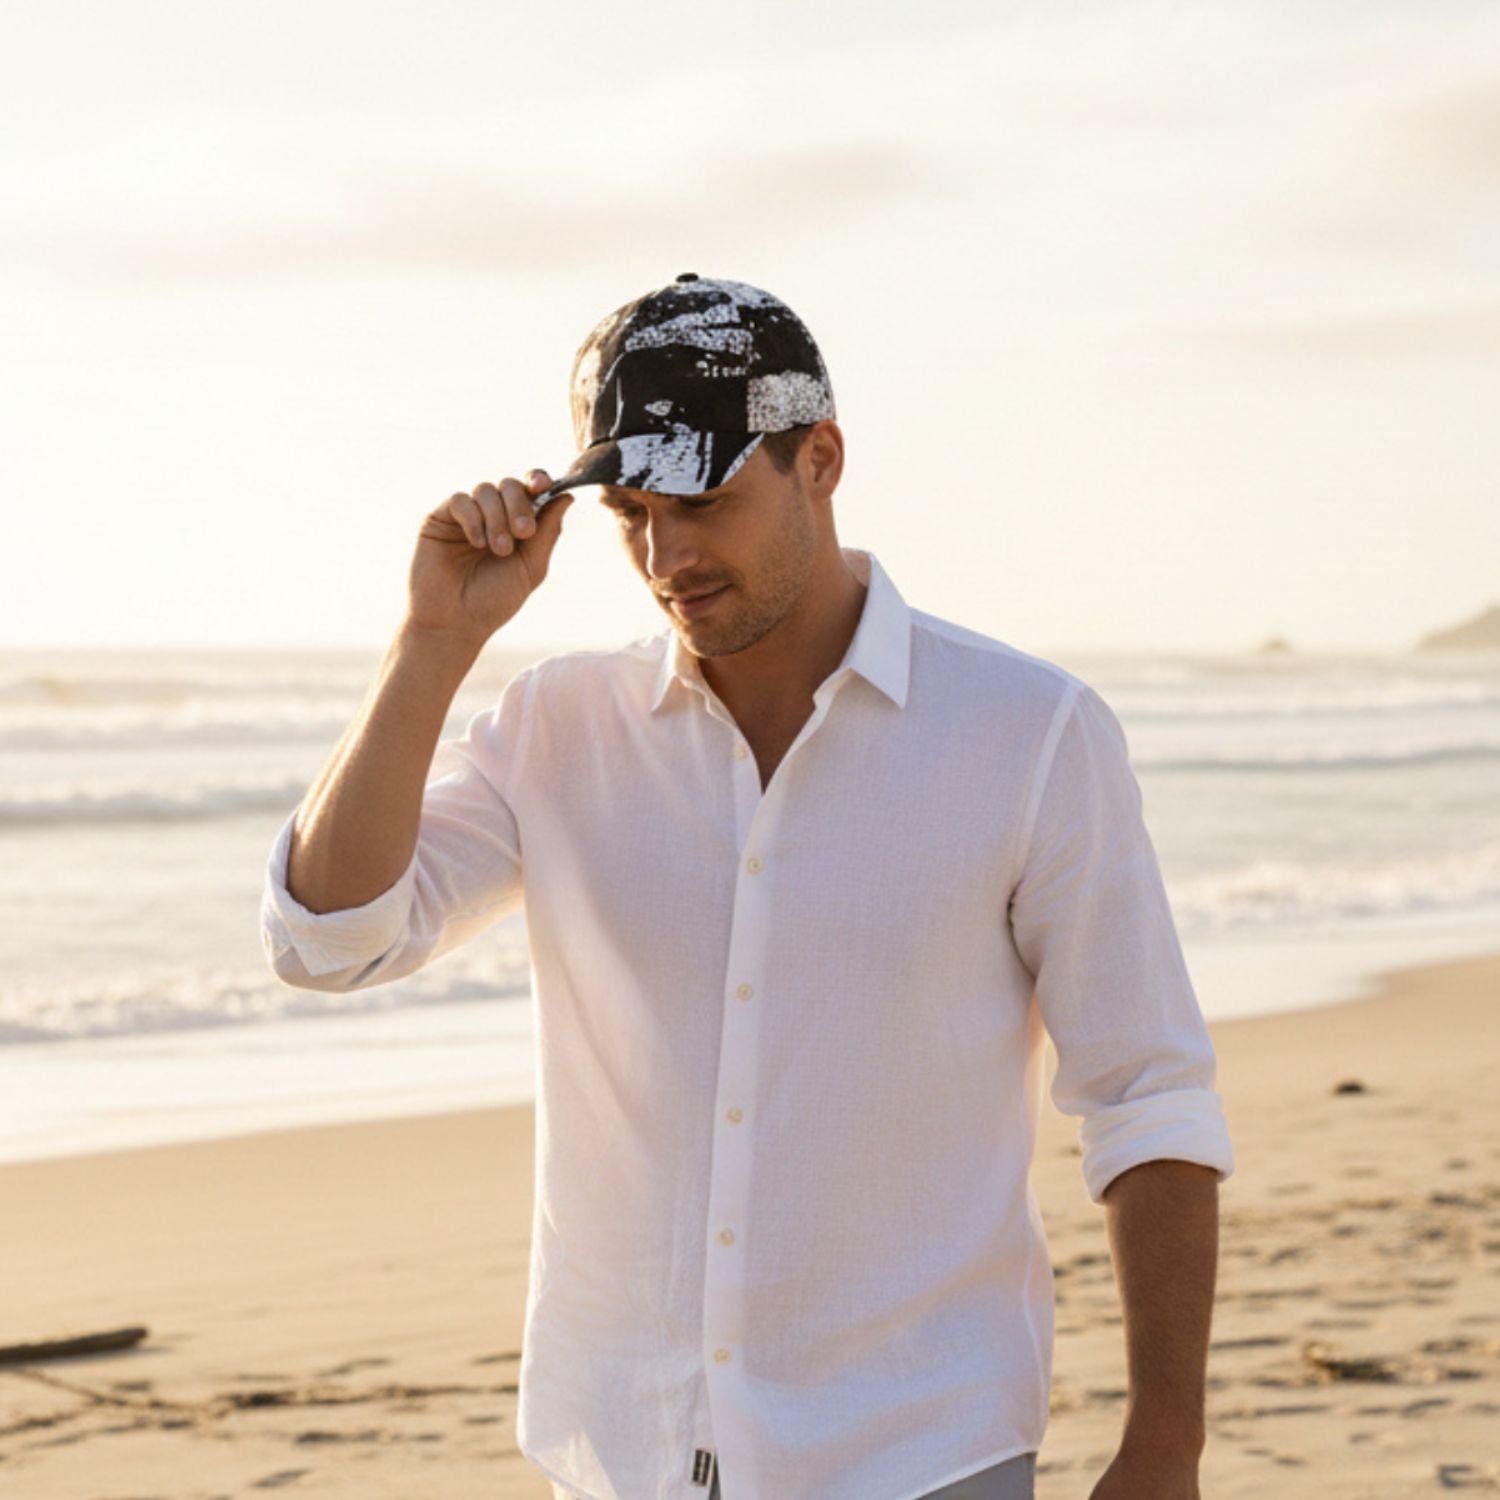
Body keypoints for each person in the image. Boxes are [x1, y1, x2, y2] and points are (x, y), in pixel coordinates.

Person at [260, 273, 1234, 1500]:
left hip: (922, 1456)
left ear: (818, 459)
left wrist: (1165, 1443)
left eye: (705, 501)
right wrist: (433, 644)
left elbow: (1149, 1095)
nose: (666, 556)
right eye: (629, 514)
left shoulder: (1028, 735)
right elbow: (328, 939)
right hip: (627, 1460)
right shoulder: (559, 729)